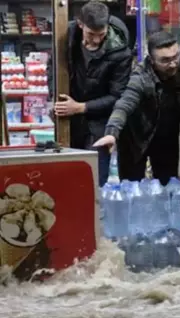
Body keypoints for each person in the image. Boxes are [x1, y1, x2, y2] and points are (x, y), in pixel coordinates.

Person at [91, 27, 180, 185]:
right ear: (151, 60)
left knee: (167, 186)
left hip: (167, 134)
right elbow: (124, 105)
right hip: (136, 137)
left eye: (175, 56)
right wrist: (111, 133)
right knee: (131, 187)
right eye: (165, 60)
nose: (172, 64)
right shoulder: (141, 76)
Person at [52, 1, 132, 186]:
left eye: (101, 35)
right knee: (67, 180)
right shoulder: (67, 35)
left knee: (94, 182)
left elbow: (117, 96)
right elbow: (53, 67)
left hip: (100, 123)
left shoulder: (120, 52)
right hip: (68, 122)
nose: (96, 40)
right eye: (91, 34)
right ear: (80, 24)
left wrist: (80, 107)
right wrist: (56, 95)